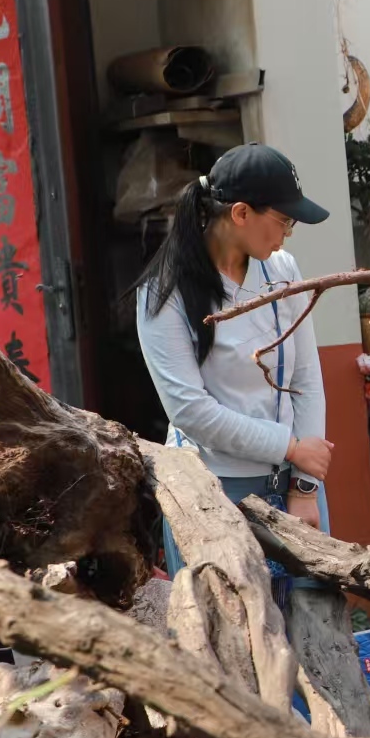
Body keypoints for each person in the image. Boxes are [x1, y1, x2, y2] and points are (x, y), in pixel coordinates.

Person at [136, 144, 334, 579]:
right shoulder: (163, 292)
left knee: (312, 615)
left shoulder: (282, 269)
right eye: (284, 220)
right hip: (213, 493)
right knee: (228, 617)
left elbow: (305, 378)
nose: (288, 234)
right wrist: (290, 447)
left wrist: (305, 485)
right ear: (241, 213)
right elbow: (191, 411)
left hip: (296, 482)